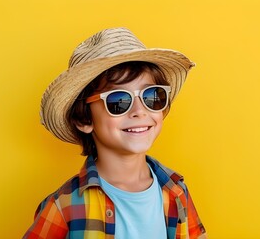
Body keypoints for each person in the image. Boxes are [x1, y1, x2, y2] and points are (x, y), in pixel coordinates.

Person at [23, 27, 207, 239]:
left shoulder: (176, 191)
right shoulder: (65, 206)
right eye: (118, 101)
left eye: (151, 96)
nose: (140, 111)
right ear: (85, 119)